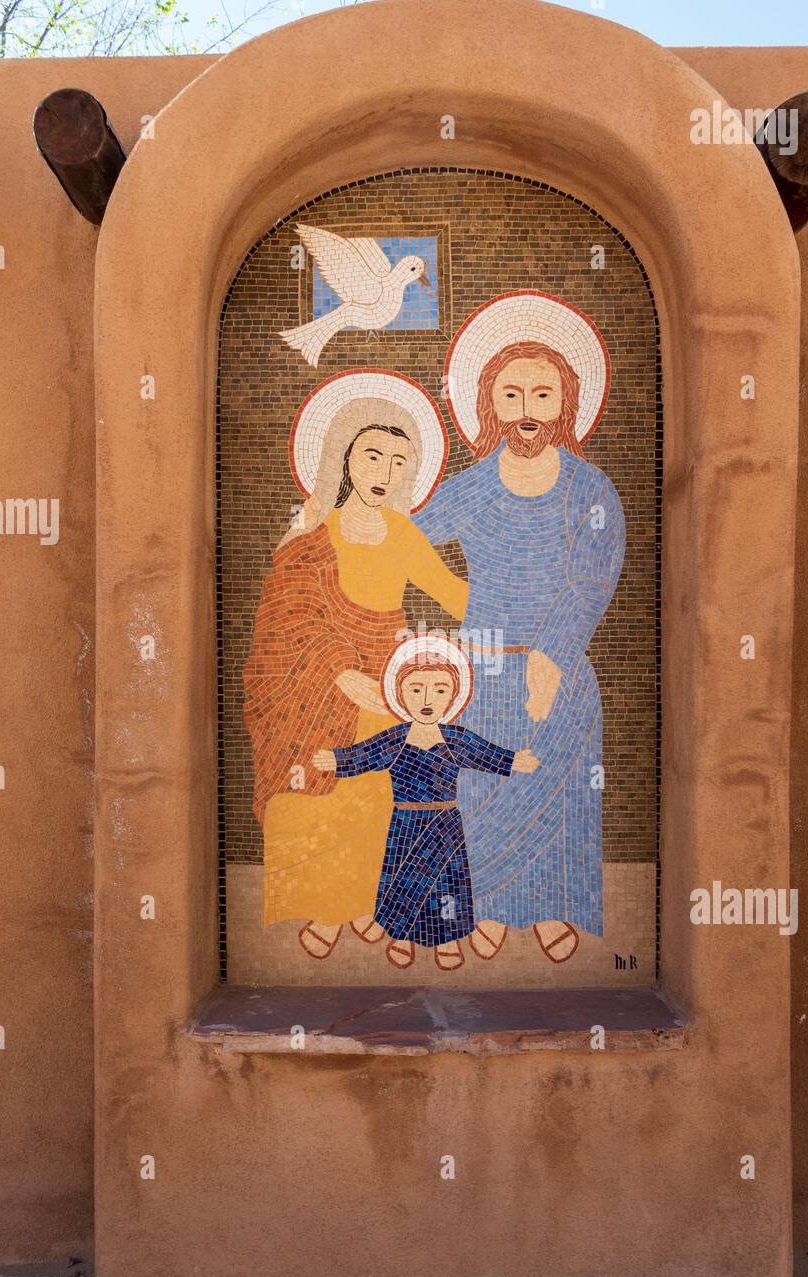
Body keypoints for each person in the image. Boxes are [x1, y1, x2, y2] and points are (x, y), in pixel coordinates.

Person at [415, 293, 625, 963]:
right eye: (512, 394)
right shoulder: (472, 488)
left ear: (566, 404)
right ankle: (493, 909)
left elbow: (592, 580)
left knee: (557, 794)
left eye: (542, 394)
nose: (528, 410)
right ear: (491, 403)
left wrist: (552, 656)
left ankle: (556, 908)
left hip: (559, 674)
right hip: (483, 672)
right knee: (481, 793)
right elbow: (413, 544)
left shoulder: (590, 490)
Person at [244, 376, 466, 959]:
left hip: (387, 681)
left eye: (398, 462)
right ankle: (325, 907)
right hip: (324, 685)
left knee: (377, 793)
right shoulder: (316, 538)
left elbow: (453, 594)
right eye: (373, 455)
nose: (384, 473)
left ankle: (371, 902)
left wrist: (522, 603)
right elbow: (291, 617)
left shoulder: (402, 532)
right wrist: (341, 674)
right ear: (345, 458)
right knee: (326, 792)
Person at [314, 637, 538, 970]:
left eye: (439, 690)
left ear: (453, 695)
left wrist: (513, 760)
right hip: (405, 824)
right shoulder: (396, 738)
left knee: (445, 884)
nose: (427, 699)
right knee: (403, 877)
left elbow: (485, 754)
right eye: (417, 689)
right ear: (401, 694)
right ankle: (401, 937)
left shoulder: (455, 738)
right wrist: (337, 760)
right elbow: (365, 754)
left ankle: (447, 941)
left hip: (445, 823)